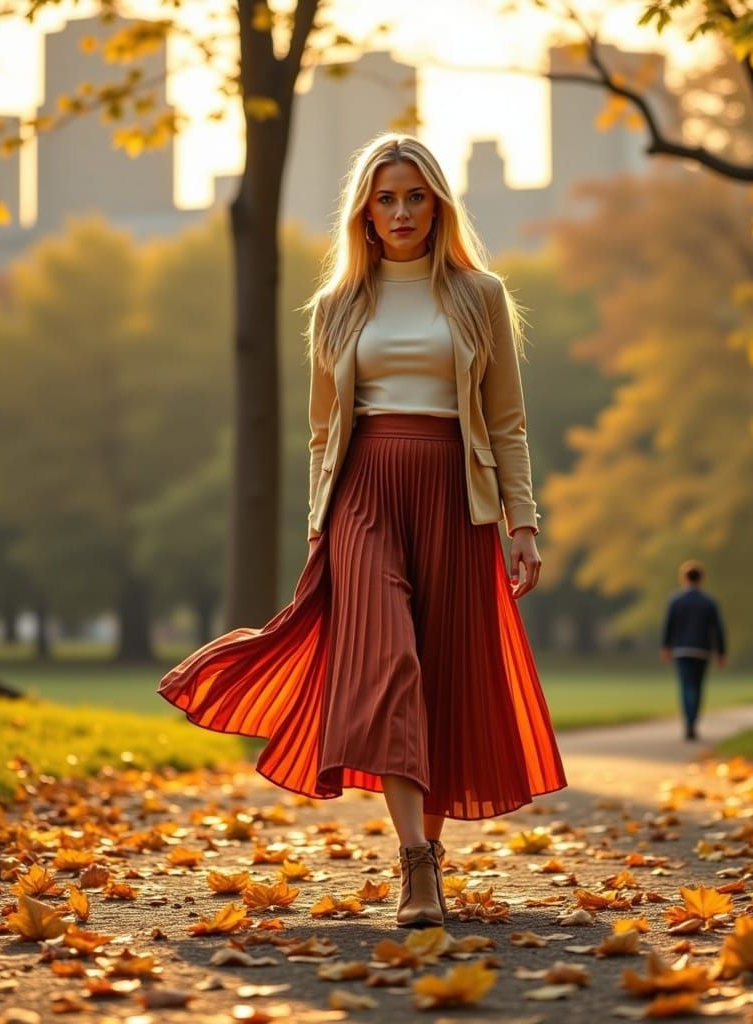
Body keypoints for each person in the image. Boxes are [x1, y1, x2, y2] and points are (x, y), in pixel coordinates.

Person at [158, 133, 567, 929]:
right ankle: (416, 860)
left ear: (438, 204)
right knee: (392, 662)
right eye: (387, 199)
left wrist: (524, 522)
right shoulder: (338, 307)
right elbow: (322, 432)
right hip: (365, 494)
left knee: (441, 672)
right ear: (366, 212)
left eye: (416, 197)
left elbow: (508, 423)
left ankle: (428, 863)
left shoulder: (481, 294)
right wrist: (320, 525)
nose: (402, 212)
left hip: (456, 491)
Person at [659, 560, 727, 741]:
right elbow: (718, 628)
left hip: (681, 650)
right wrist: (721, 652)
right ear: (701, 579)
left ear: (683, 578)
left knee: (686, 686)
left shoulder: (676, 601)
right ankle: (693, 721)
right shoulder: (709, 602)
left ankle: (688, 722)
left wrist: (666, 647)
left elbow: (669, 626)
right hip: (702, 650)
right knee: (697, 687)